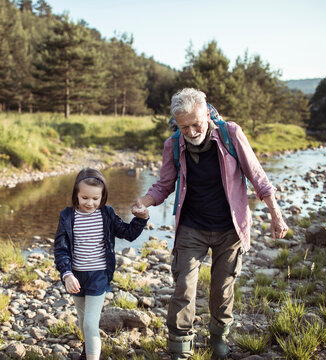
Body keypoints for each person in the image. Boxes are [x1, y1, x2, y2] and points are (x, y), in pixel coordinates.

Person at [132, 88, 288, 359]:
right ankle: (181, 347)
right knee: (183, 286)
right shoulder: (173, 145)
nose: (191, 132)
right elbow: (165, 184)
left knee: (222, 287)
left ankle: (219, 335)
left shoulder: (231, 134)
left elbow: (258, 176)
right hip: (192, 227)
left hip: (230, 228)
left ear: (207, 114)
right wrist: (144, 202)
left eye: (196, 124)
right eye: (184, 127)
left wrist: (276, 214)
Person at [54, 168, 149, 360]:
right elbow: (61, 249)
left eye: (95, 199)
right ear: (76, 195)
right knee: (82, 321)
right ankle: (87, 348)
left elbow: (127, 233)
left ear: (102, 196)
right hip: (76, 276)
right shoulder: (67, 216)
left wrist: (141, 219)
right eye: (85, 198)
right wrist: (67, 274)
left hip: (98, 275)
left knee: (90, 322)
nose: (90, 203)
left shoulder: (106, 214)